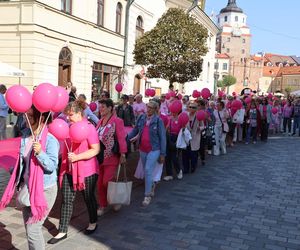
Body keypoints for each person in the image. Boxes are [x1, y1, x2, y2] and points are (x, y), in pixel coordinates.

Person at [0, 105, 59, 250]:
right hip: (27, 188)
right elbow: (24, 162)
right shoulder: (26, 136)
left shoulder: (50, 140)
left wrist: (40, 153)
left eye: (30, 116)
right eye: (26, 115)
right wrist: (16, 171)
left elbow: (51, 166)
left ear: (42, 119)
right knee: (29, 229)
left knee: (33, 229)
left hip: (44, 190)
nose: (26, 119)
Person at [48, 100, 100, 244]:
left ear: (79, 113)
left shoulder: (89, 128)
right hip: (68, 169)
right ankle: (62, 230)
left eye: (70, 115)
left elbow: (96, 149)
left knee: (88, 198)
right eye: (67, 116)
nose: (68, 118)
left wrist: (77, 157)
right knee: (66, 200)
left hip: (87, 171)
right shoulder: (69, 127)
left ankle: (93, 222)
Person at [128, 101, 166, 206]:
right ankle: (152, 184)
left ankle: (147, 195)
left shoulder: (158, 121)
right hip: (142, 149)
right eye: (147, 107)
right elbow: (135, 130)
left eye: (151, 108)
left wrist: (163, 154)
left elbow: (163, 138)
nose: (148, 109)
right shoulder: (141, 118)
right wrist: (126, 138)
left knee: (148, 170)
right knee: (146, 171)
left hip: (154, 149)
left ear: (155, 110)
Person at [96, 99, 127, 215]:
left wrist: (123, 153)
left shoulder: (117, 121)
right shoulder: (99, 121)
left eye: (103, 107)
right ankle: (102, 204)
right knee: (100, 184)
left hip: (111, 156)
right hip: (99, 157)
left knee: (107, 181)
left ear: (110, 108)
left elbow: (121, 138)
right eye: (100, 107)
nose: (101, 109)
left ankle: (115, 199)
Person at [182, 102, 204, 173]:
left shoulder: (198, 116)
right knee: (185, 153)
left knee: (193, 153)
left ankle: (193, 167)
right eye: (190, 107)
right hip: (186, 137)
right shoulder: (186, 115)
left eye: (193, 107)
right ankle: (186, 168)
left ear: (196, 109)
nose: (191, 108)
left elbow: (203, 126)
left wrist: (199, 128)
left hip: (195, 137)